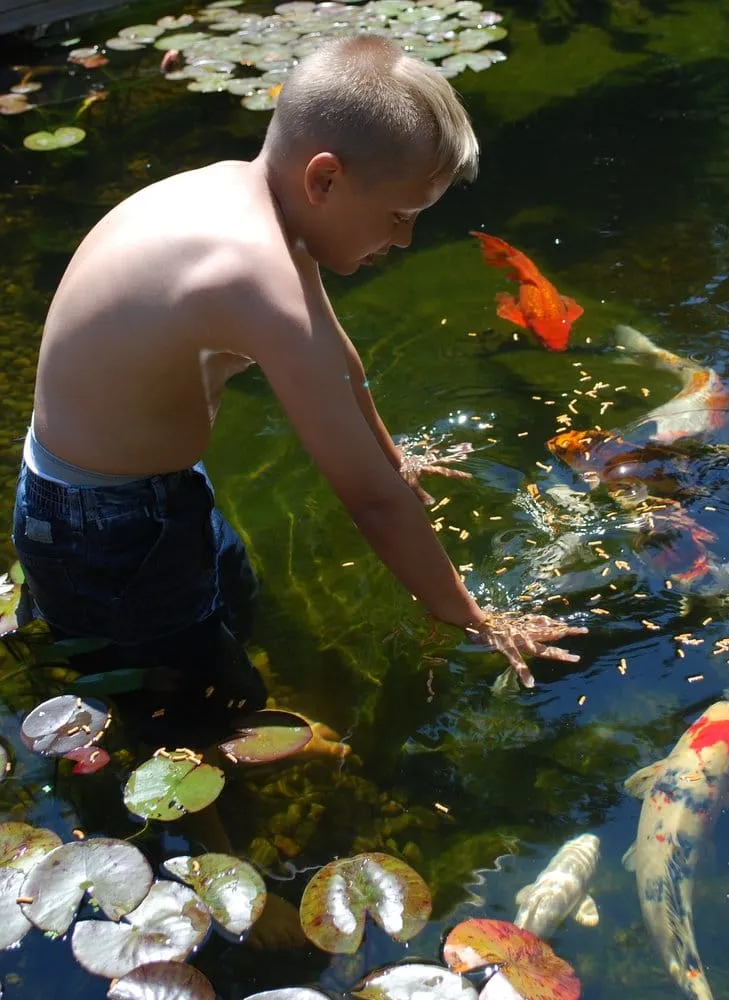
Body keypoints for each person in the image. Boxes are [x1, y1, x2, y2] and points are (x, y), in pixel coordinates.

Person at [12, 33, 587, 734]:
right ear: (326, 180)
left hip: (130, 490)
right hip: (100, 526)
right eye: (400, 217)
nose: (404, 241)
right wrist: (474, 618)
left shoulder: (255, 200)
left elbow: (340, 359)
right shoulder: (251, 274)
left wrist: (395, 458)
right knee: (186, 698)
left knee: (232, 606)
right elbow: (372, 505)